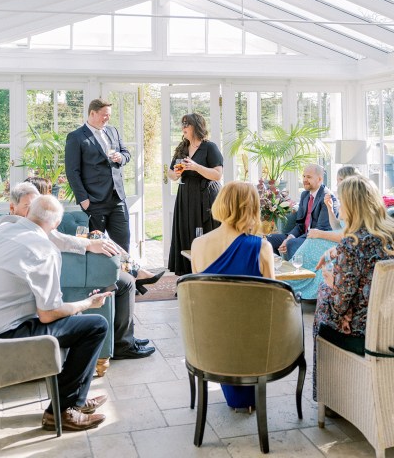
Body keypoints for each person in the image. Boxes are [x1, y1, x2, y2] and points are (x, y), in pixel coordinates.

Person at [0, 195, 110, 431]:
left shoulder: (3, 230)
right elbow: (49, 313)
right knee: (95, 325)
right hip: (6, 336)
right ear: (56, 224)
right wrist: (87, 303)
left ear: (27, 214)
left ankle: (73, 397)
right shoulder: (44, 250)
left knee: (72, 319)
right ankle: (62, 411)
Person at [3, 182, 155, 359]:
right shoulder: (24, 234)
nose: (33, 213)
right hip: (17, 325)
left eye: (36, 207)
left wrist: (92, 244)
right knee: (114, 297)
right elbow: (48, 313)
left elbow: (60, 239)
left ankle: (125, 341)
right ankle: (122, 343)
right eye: (28, 207)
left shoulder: (30, 228)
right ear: (12, 207)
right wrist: (87, 302)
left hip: (24, 318)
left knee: (125, 281)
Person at [191, 181, 274, 410]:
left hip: (212, 344)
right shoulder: (261, 247)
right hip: (250, 345)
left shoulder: (197, 245)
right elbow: (272, 300)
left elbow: (201, 299)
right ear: (252, 208)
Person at [312, 175, 394, 402]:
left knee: (324, 297)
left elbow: (340, 305)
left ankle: (329, 396)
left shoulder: (353, 243)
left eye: (341, 201)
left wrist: (330, 283)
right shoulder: (389, 235)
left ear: (352, 205)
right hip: (389, 322)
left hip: (363, 330)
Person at [24, 176, 164, 293]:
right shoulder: (36, 219)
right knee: (100, 238)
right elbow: (58, 240)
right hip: (69, 250)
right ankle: (136, 273)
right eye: (48, 191)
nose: (51, 195)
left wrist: (87, 236)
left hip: (70, 244)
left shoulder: (39, 215)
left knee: (98, 235)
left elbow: (59, 238)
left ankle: (135, 272)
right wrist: (87, 240)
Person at [65, 98, 131, 253]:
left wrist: (120, 158)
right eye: (104, 115)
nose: (107, 118)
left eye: (109, 115)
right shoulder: (76, 137)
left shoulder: (113, 131)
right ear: (92, 113)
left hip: (117, 199)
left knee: (123, 244)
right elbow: (72, 171)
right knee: (96, 247)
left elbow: (126, 153)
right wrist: (84, 200)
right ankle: (103, 277)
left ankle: (129, 276)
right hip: (94, 202)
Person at [288, 166, 361, 300]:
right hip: (339, 238)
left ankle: (294, 282)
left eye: (340, 180)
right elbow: (337, 226)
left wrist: (319, 233)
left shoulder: (356, 204)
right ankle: (293, 277)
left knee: (313, 239)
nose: (337, 183)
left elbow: (347, 236)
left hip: (345, 242)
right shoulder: (343, 200)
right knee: (312, 239)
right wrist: (330, 209)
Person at [168, 113, 223, 275]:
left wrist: (196, 167)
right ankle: (188, 278)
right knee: (187, 234)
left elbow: (217, 174)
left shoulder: (209, 147)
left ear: (196, 127)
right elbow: (171, 174)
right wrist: (177, 173)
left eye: (187, 124)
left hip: (206, 196)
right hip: (186, 197)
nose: (183, 127)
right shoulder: (182, 148)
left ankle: (209, 276)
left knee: (205, 235)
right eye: (182, 124)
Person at [267, 164, 339, 260]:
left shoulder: (327, 197)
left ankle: (293, 273)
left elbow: (321, 229)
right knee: (269, 240)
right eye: (304, 176)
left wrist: (290, 241)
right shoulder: (305, 195)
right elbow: (300, 224)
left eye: (309, 177)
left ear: (319, 179)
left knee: (290, 244)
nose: (304, 180)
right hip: (302, 236)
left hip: (315, 239)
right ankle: (279, 269)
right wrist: (289, 237)